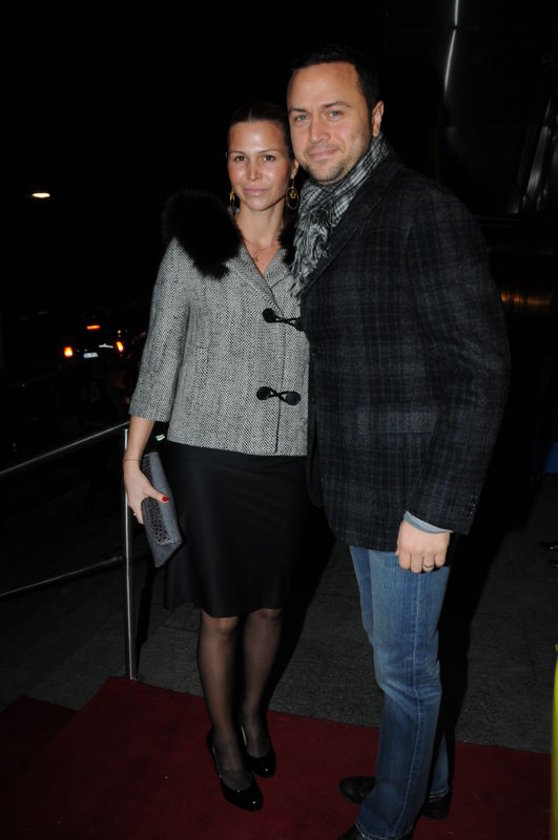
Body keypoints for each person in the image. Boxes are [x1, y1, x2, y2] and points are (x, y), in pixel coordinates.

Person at [286, 45, 511, 840]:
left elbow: (481, 371)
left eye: (335, 111)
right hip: (358, 484)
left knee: (405, 672)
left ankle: (389, 820)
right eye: (301, 116)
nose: (315, 132)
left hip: (412, 497)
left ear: (376, 118)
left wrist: (435, 509)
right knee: (393, 651)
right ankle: (427, 781)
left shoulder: (421, 211)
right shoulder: (323, 216)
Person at [123, 101, 310, 812]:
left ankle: (254, 713)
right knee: (222, 614)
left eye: (269, 156)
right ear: (226, 168)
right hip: (205, 456)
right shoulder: (192, 247)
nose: (254, 171)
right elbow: (161, 355)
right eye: (240, 157)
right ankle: (225, 738)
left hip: (288, 455)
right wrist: (133, 459)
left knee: (271, 608)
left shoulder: (318, 248)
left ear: (293, 167)